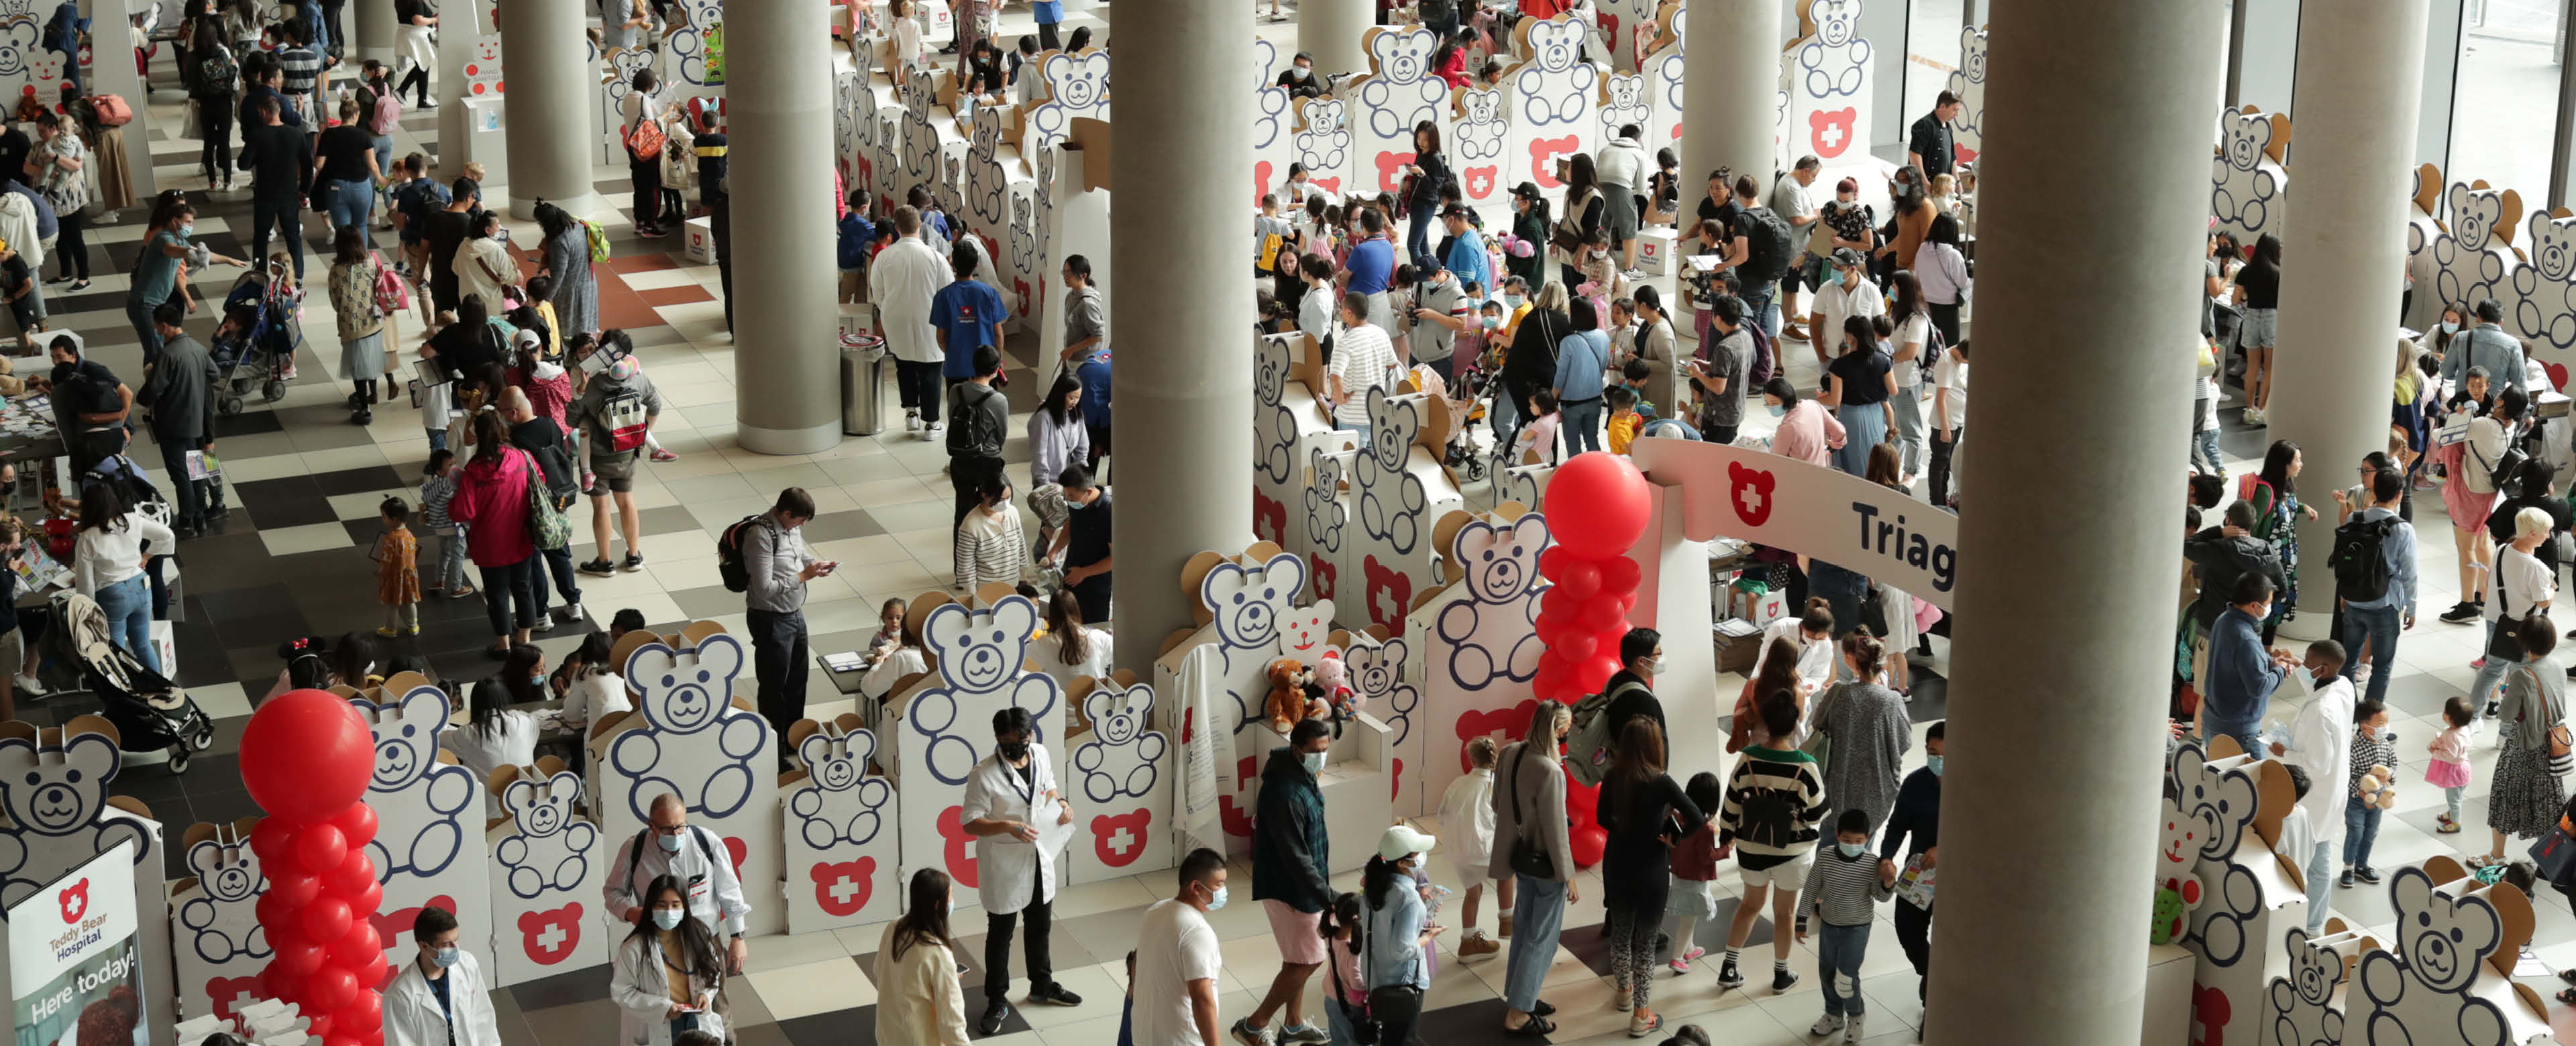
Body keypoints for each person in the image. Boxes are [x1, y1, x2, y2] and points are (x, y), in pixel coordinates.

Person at [960, 707, 1082, 1032]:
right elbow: (970, 823)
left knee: (1039, 926)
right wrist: (1007, 826)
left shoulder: (1040, 753)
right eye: (1006, 742)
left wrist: (1062, 804)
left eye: (1020, 740)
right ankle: (997, 1000)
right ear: (998, 739)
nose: (1014, 747)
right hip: (1004, 862)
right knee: (1000, 935)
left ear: (1030, 736)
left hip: (1040, 855)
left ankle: (1042, 985)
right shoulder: (983, 774)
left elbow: (1050, 787)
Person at [1234, 717, 1336, 1046]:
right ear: (1296, 750)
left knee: (1298, 956)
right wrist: (1328, 896)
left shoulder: (1300, 774)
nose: (1321, 756)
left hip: (1304, 884)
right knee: (1312, 957)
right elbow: (1295, 858)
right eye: (1315, 751)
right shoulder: (1285, 793)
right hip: (1291, 889)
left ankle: (1293, 1024)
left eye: (1325, 749)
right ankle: (1254, 1024)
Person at [1597, 718, 1699, 1037]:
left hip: (1617, 864)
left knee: (1621, 932)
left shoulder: (1613, 776)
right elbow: (1695, 816)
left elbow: (1602, 818)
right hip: (1652, 868)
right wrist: (1672, 839)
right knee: (1646, 941)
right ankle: (1642, 1014)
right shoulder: (1662, 782)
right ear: (1655, 745)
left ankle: (1624, 992)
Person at [1717, 692, 1825, 992]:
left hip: (1751, 847)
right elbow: (1816, 814)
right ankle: (1781, 974)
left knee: (1750, 905)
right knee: (1784, 913)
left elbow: (1731, 805)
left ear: (1765, 723)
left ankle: (1729, 967)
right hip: (1792, 853)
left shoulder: (1747, 759)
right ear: (1795, 726)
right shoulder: (1806, 766)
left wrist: (1727, 837)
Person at [1492, 701, 1576, 1036]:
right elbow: (1557, 830)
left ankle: (1520, 996)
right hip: (1546, 864)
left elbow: (1496, 802)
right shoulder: (1551, 771)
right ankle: (1518, 1012)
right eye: (1566, 730)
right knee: (1542, 938)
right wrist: (1567, 875)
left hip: (1518, 856)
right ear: (1557, 731)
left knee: (1524, 930)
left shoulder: (1511, 752)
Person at [604, 794, 752, 974]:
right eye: (667, 829)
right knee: (662, 1000)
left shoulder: (706, 842)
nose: (675, 834)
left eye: (681, 827)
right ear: (651, 826)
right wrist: (629, 912)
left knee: (714, 999)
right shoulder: (634, 849)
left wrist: (738, 937)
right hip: (656, 944)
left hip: (704, 941)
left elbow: (730, 891)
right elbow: (612, 892)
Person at [2267, 641, 2352, 933]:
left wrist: (2283, 752)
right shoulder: (2343, 686)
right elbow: (2313, 686)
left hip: (2318, 793)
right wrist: (2299, 664)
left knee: (2318, 861)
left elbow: (2317, 765)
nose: (2306, 666)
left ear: (2324, 668)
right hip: (2332, 789)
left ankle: (2313, 926)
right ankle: (2312, 921)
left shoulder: (2321, 711)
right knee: (2319, 853)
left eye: (2309, 662)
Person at [2479, 612, 2571, 869]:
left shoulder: (2522, 675)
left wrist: (2507, 691)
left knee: (2504, 796)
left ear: (2524, 642)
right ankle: (2550, 859)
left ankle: (2497, 855)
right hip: (2551, 743)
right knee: (2547, 802)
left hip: (2524, 746)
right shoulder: (2558, 665)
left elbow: (2506, 715)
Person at [445, 412, 541, 655]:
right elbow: (540, 480)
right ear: (503, 430)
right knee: (523, 587)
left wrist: (451, 501)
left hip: (489, 543)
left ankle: (503, 644)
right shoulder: (521, 458)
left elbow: (463, 510)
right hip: (522, 536)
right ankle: (525, 639)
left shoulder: (474, 470)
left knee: (497, 594)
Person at [743, 487, 831, 740]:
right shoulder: (760, 535)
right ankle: (774, 745)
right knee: (774, 688)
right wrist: (803, 577)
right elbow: (763, 589)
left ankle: (795, 738)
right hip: (770, 619)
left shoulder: (792, 528)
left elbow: (798, 554)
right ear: (786, 512)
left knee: (797, 680)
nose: (802, 525)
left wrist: (813, 564)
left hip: (795, 614)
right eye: (800, 520)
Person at [608, 874, 729, 1044]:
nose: (669, 912)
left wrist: (705, 995)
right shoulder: (634, 948)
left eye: (675, 905)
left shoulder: (699, 937)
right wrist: (662, 1008)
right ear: (651, 907)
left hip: (694, 1018)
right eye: (662, 905)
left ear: (684, 907)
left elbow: (712, 973)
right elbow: (622, 992)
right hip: (658, 1022)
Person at [72, 482, 172, 674]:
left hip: (112, 595)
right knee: (143, 645)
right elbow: (167, 536)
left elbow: (86, 584)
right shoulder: (132, 520)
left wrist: (88, 613)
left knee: (115, 652)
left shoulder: (87, 538)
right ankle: (162, 690)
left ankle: (126, 695)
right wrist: (147, 556)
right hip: (142, 586)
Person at [1815, 632, 1912, 830]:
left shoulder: (1838, 693)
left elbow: (1818, 724)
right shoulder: (1892, 700)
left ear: (1856, 665)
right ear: (1883, 666)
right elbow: (1904, 741)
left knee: (1831, 836)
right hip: (1877, 781)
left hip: (1839, 777)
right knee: (1865, 835)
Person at [136, 300, 217, 536]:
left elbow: (152, 392)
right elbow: (214, 373)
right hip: (198, 424)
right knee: (197, 472)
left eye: (156, 327)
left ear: (164, 326)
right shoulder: (198, 348)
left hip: (172, 425)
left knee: (180, 475)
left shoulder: (168, 355)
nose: (156, 332)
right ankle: (200, 518)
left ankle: (186, 521)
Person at [2339, 468, 2417, 708]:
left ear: (2373, 491)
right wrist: (2411, 608)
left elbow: (2343, 559)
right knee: (2382, 667)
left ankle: (2348, 713)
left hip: (2353, 600)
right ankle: (2369, 724)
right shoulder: (2403, 529)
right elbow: (2410, 574)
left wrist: (2343, 593)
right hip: (2385, 604)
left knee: (2349, 661)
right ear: (2400, 495)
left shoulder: (2355, 519)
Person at [1134, 849, 1228, 1046]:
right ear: (1196, 887)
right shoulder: (1197, 931)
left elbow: (1138, 964)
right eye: (1218, 885)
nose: (1223, 892)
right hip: (1181, 1040)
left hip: (1145, 1035)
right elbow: (1202, 998)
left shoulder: (1155, 911)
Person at [1360, 824, 1442, 1046]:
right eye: (1416, 854)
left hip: (1377, 978)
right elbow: (1402, 950)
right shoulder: (1409, 898)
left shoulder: (1374, 889)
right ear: (1402, 863)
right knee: (1402, 1039)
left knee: (1391, 1037)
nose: (1421, 858)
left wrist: (1416, 931)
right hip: (1402, 983)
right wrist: (1428, 937)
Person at [2471, 506, 2557, 716]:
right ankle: (2510, 724)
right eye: (2547, 531)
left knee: (2492, 670)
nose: (2549, 536)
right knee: (2523, 674)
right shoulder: (2537, 568)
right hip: (2522, 628)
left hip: (2495, 619)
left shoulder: (2502, 550)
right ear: (2533, 534)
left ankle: (2470, 717)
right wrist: (2552, 588)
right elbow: (2544, 602)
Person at [1878, 719, 1941, 1004]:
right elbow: (1897, 825)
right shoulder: (1916, 783)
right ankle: (1932, 974)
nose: (1936, 759)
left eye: (1943, 754)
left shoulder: (1971, 786)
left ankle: (1935, 998)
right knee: (1907, 928)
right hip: (1920, 873)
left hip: (1960, 876)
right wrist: (1887, 856)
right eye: (1932, 752)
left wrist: (1944, 848)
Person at [2200, 572, 2299, 753]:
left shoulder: (2224, 620)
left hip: (2213, 720)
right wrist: (2281, 670)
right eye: (2268, 604)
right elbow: (2258, 687)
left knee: (2217, 776)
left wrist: (2269, 662)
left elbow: (2237, 661)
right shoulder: (2247, 638)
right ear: (2254, 606)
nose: (2269, 609)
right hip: (2239, 732)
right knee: (2249, 781)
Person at [873, 868, 972, 1045]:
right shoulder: (938, 953)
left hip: (889, 1035)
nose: (952, 901)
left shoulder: (895, 926)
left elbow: (879, 970)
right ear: (937, 904)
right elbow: (952, 1025)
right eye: (950, 895)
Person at [877, 207, 952, 433]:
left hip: (896, 318)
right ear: (920, 225)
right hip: (929, 319)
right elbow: (946, 293)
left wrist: (891, 308)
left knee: (904, 364)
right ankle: (931, 423)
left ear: (896, 228)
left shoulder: (884, 257)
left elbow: (878, 294)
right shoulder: (935, 257)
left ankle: (911, 413)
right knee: (931, 370)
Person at [384, 907, 504, 1046]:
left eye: (456, 940)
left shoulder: (467, 964)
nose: (456, 948)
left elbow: (483, 1017)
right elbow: (400, 1043)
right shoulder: (399, 995)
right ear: (424, 946)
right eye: (447, 944)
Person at [1437, 735, 1508, 960]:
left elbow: (1442, 815)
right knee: (1507, 873)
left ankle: (1468, 942)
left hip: (1460, 854)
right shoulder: (1496, 785)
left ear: (1471, 759)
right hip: (1486, 853)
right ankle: (1508, 919)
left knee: (1473, 893)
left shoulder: (1457, 784)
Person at [235, 97, 311, 282]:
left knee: (261, 237)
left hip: (265, 195)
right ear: (279, 111)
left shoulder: (257, 135)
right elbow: (308, 165)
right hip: (289, 195)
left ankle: (260, 276)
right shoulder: (295, 134)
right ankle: (298, 276)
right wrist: (304, 189)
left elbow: (244, 164)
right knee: (293, 236)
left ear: (263, 112)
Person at [327, 227, 391, 422]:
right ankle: (373, 394)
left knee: (357, 368)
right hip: (374, 321)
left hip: (351, 325)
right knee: (370, 360)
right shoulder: (371, 261)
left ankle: (364, 408)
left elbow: (335, 299)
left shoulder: (337, 270)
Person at [1819, 315, 1894, 477]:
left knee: (1853, 462)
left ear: (1850, 336)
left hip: (1852, 416)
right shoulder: (1882, 360)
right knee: (1874, 459)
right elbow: (1893, 390)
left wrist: (1816, 400)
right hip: (1876, 415)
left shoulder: (1840, 365)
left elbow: (1834, 400)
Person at [1666, 772, 1724, 974]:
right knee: (1689, 919)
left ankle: (1690, 949)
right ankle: (1677, 957)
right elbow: (1707, 857)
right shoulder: (1705, 828)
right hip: (1695, 879)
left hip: (1680, 874)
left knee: (1688, 915)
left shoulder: (1679, 818)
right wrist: (1725, 850)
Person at [1325, 292, 1400, 445]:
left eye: (1342, 308)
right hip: (1376, 413)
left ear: (1349, 313)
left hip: (1351, 417)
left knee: (1353, 464)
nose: (1340, 311)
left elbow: (1335, 377)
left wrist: (1339, 397)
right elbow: (1393, 364)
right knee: (1373, 464)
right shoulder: (1381, 334)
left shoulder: (1346, 343)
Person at [2337, 698, 2397, 888]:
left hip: (2378, 801)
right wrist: (2362, 793)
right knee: (2356, 832)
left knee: (2371, 833)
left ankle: (2362, 866)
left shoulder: (2385, 745)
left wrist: (2390, 776)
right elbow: (2347, 777)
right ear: (2364, 727)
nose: (2385, 727)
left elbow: (2393, 764)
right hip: (2357, 802)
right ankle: (2348, 866)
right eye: (2380, 724)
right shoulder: (2354, 749)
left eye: (2386, 722)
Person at [28, 113, 88, 291]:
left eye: (43, 131)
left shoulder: (72, 141)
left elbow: (76, 165)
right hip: (51, 202)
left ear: (54, 129)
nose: (40, 135)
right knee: (60, 238)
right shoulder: (40, 146)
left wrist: (55, 159)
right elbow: (26, 167)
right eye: (38, 131)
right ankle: (65, 273)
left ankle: (84, 277)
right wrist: (43, 171)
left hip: (72, 201)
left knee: (75, 237)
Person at [315, 95, 383, 238]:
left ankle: (345, 259)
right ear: (356, 115)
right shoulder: (363, 135)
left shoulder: (329, 133)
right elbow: (372, 165)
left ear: (342, 114)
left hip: (336, 187)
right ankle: (362, 259)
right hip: (361, 187)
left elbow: (319, 164)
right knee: (361, 225)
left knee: (342, 229)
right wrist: (381, 179)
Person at [446, 676, 539, 779]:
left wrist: (446, 708)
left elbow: (438, 737)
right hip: (528, 791)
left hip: (486, 795)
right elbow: (531, 722)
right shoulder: (526, 722)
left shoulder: (467, 735)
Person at [1688, 294, 1751, 444]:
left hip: (1719, 417)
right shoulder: (1746, 336)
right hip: (1736, 410)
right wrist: (1709, 365)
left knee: (1712, 458)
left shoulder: (1725, 347)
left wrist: (1698, 374)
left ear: (1718, 318)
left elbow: (1718, 388)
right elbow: (1735, 367)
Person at [534, 201, 598, 339]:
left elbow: (558, 276)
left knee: (570, 334)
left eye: (540, 224)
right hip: (589, 283)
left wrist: (545, 300)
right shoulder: (579, 225)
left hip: (570, 294)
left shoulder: (560, 242)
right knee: (587, 328)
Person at [1059, 464, 1112, 624]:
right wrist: (1054, 551)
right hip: (1072, 579)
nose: (1069, 501)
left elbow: (1116, 559)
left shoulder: (1108, 511)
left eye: (1072, 497)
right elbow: (1071, 524)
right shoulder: (1079, 503)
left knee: (1091, 634)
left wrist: (1083, 573)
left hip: (1095, 589)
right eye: (1066, 496)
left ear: (1088, 492)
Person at [1595, 125, 1648, 278]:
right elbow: (1641, 186)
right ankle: (1630, 269)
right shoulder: (1639, 152)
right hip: (1621, 186)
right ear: (1638, 139)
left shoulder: (1605, 149)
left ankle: (1599, 264)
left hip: (1599, 187)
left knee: (1602, 227)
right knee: (1629, 227)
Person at [621, 69, 667, 237]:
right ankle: (650, 224)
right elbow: (651, 123)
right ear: (651, 85)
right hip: (647, 148)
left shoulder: (627, 98)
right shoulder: (644, 99)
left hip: (633, 145)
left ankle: (639, 222)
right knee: (653, 186)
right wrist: (665, 114)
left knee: (639, 184)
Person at [1763, 377, 1846, 468]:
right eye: (1767, 404)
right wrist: (1834, 446)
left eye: (1774, 403)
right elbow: (1840, 431)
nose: (1770, 407)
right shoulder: (1813, 405)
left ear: (1786, 399)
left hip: (1800, 476)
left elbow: (1776, 461)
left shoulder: (1786, 428)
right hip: (1822, 470)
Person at [1916, 215, 1970, 347]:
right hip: (1948, 308)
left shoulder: (1922, 249)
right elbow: (1963, 283)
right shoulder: (1953, 255)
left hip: (1925, 305)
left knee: (1930, 346)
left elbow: (1918, 273)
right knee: (1949, 347)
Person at [370, 496, 420, 636]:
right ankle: (413, 625)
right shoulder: (409, 534)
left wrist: (382, 575)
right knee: (410, 601)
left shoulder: (391, 538)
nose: (383, 519)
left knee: (393, 604)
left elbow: (386, 561)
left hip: (394, 577)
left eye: (384, 516)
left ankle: (391, 629)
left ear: (395, 519)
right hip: (409, 575)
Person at [1929, 335, 1968, 507]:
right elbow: (1940, 399)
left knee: (1947, 462)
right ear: (1961, 355)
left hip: (1957, 420)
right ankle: (1937, 502)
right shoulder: (1946, 363)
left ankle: (1944, 497)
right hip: (1945, 423)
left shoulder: (1960, 356)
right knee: (1939, 463)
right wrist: (1945, 428)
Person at [1402, 122, 1450, 262]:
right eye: (1419, 138)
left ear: (1433, 140)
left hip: (1426, 205)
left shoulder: (1435, 158)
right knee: (1422, 242)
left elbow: (1436, 186)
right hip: (1416, 203)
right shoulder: (1421, 153)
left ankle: (1421, 276)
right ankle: (1430, 273)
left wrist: (1422, 174)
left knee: (1413, 244)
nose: (1421, 143)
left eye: (1425, 140)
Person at [2430, 695, 2477, 835]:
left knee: (2454, 800)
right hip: (2463, 768)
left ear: (2447, 716)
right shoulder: (2463, 730)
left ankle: (2456, 823)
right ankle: (2451, 814)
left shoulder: (2452, 735)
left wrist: (2435, 752)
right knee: (2458, 796)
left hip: (2454, 773)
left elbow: (2450, 756)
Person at [1058, 253, 1106, 372]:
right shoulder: (1070, 296)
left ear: (1083, 275)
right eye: (1064, 272)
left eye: (1070, 273)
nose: (1066, 276)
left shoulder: (1088, 303)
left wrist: (1071, 350)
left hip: (1085, 361)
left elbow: (1098, 336)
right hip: (1072, 359)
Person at [1907, 91, 1960, 180]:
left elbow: (1952, 158)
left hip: (1942, 187)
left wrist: (1957, 181)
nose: (1957, 114)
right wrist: (1924, 182)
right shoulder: (1924, 125)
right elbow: (1914, 155)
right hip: (1924, 187)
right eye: (1955, 110)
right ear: (1943, 106)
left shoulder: (1948, 127)